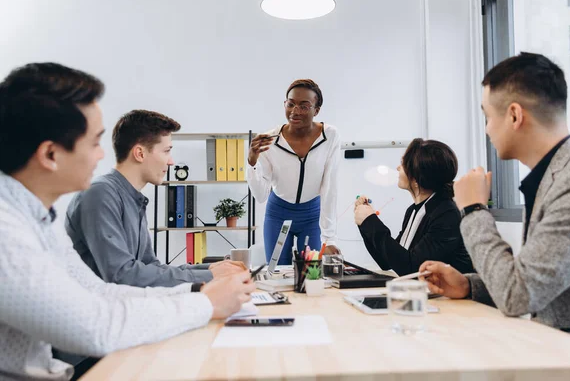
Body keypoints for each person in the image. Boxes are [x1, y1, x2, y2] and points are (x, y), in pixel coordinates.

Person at [0, 62, 255, 380]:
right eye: (94, 143)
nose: (101, 156)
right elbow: (96, 324)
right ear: (50, 154)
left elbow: (100, 291)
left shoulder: (37, 219)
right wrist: (204, 303)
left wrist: (197, 290)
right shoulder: (6, 231)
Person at [419, 52, 570, 343]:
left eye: (488, 116)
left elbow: (518, 295)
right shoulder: (558, 173)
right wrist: (468, 285)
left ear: (514, 115)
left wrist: (475, 209)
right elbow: (536, 279)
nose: (487, 128)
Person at [65, 109, 246, 287]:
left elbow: (150, 268)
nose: (171, 162)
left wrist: (212, 268)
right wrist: (209, 275)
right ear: (140, 153)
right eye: (166, 151)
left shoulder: (132, 197)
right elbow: (121, 275)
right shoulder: (100, 194)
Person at [247, 79, 341, 264]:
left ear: (317, 110)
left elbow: (330, 187)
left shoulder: (329, 136)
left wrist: (329, 238)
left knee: (312, 272)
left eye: (304, 106)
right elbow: (260, 195)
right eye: (290, 104)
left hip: (312, 215)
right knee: (277, 271)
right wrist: (252, 161)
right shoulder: (270, 140)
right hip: (279, 216)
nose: (295, 111)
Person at [354, 138, 475, 276]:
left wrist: (370, 221)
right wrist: (364, 222)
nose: (398, 168)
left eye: (403, 164)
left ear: (417, 178)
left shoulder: (446, 213)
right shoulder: (414, 211)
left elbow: (413, 269)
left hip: (450, 297)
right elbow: (387, 261)